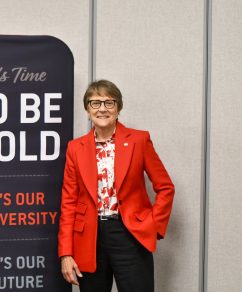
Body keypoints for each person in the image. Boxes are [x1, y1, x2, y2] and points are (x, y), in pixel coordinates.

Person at [58, 80, 174, 292]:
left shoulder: (139, 140)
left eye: (109, 102)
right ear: (87, 109)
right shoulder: (75, 148)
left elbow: (165, 187)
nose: (102, 109)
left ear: (118, 107)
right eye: (95, 103)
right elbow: (69, 203)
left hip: (130, 234)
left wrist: (152, 225)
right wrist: (66, 253)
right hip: (89, 239)